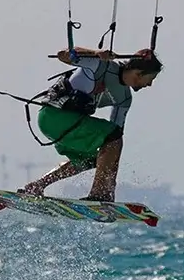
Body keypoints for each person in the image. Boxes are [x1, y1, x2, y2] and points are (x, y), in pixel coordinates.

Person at [19, 46, 163, 202]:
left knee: (95, 158)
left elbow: (113, 146)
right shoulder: (100, 65)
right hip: (54, 116)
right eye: (151, 79)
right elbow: (63, 55)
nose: (149, 85)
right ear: (138, 73)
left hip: (64, 126)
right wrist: (95, 54)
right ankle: (99, 193)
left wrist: (111, 186)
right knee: (113, 139)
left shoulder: (124, 99)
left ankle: (38, 185)